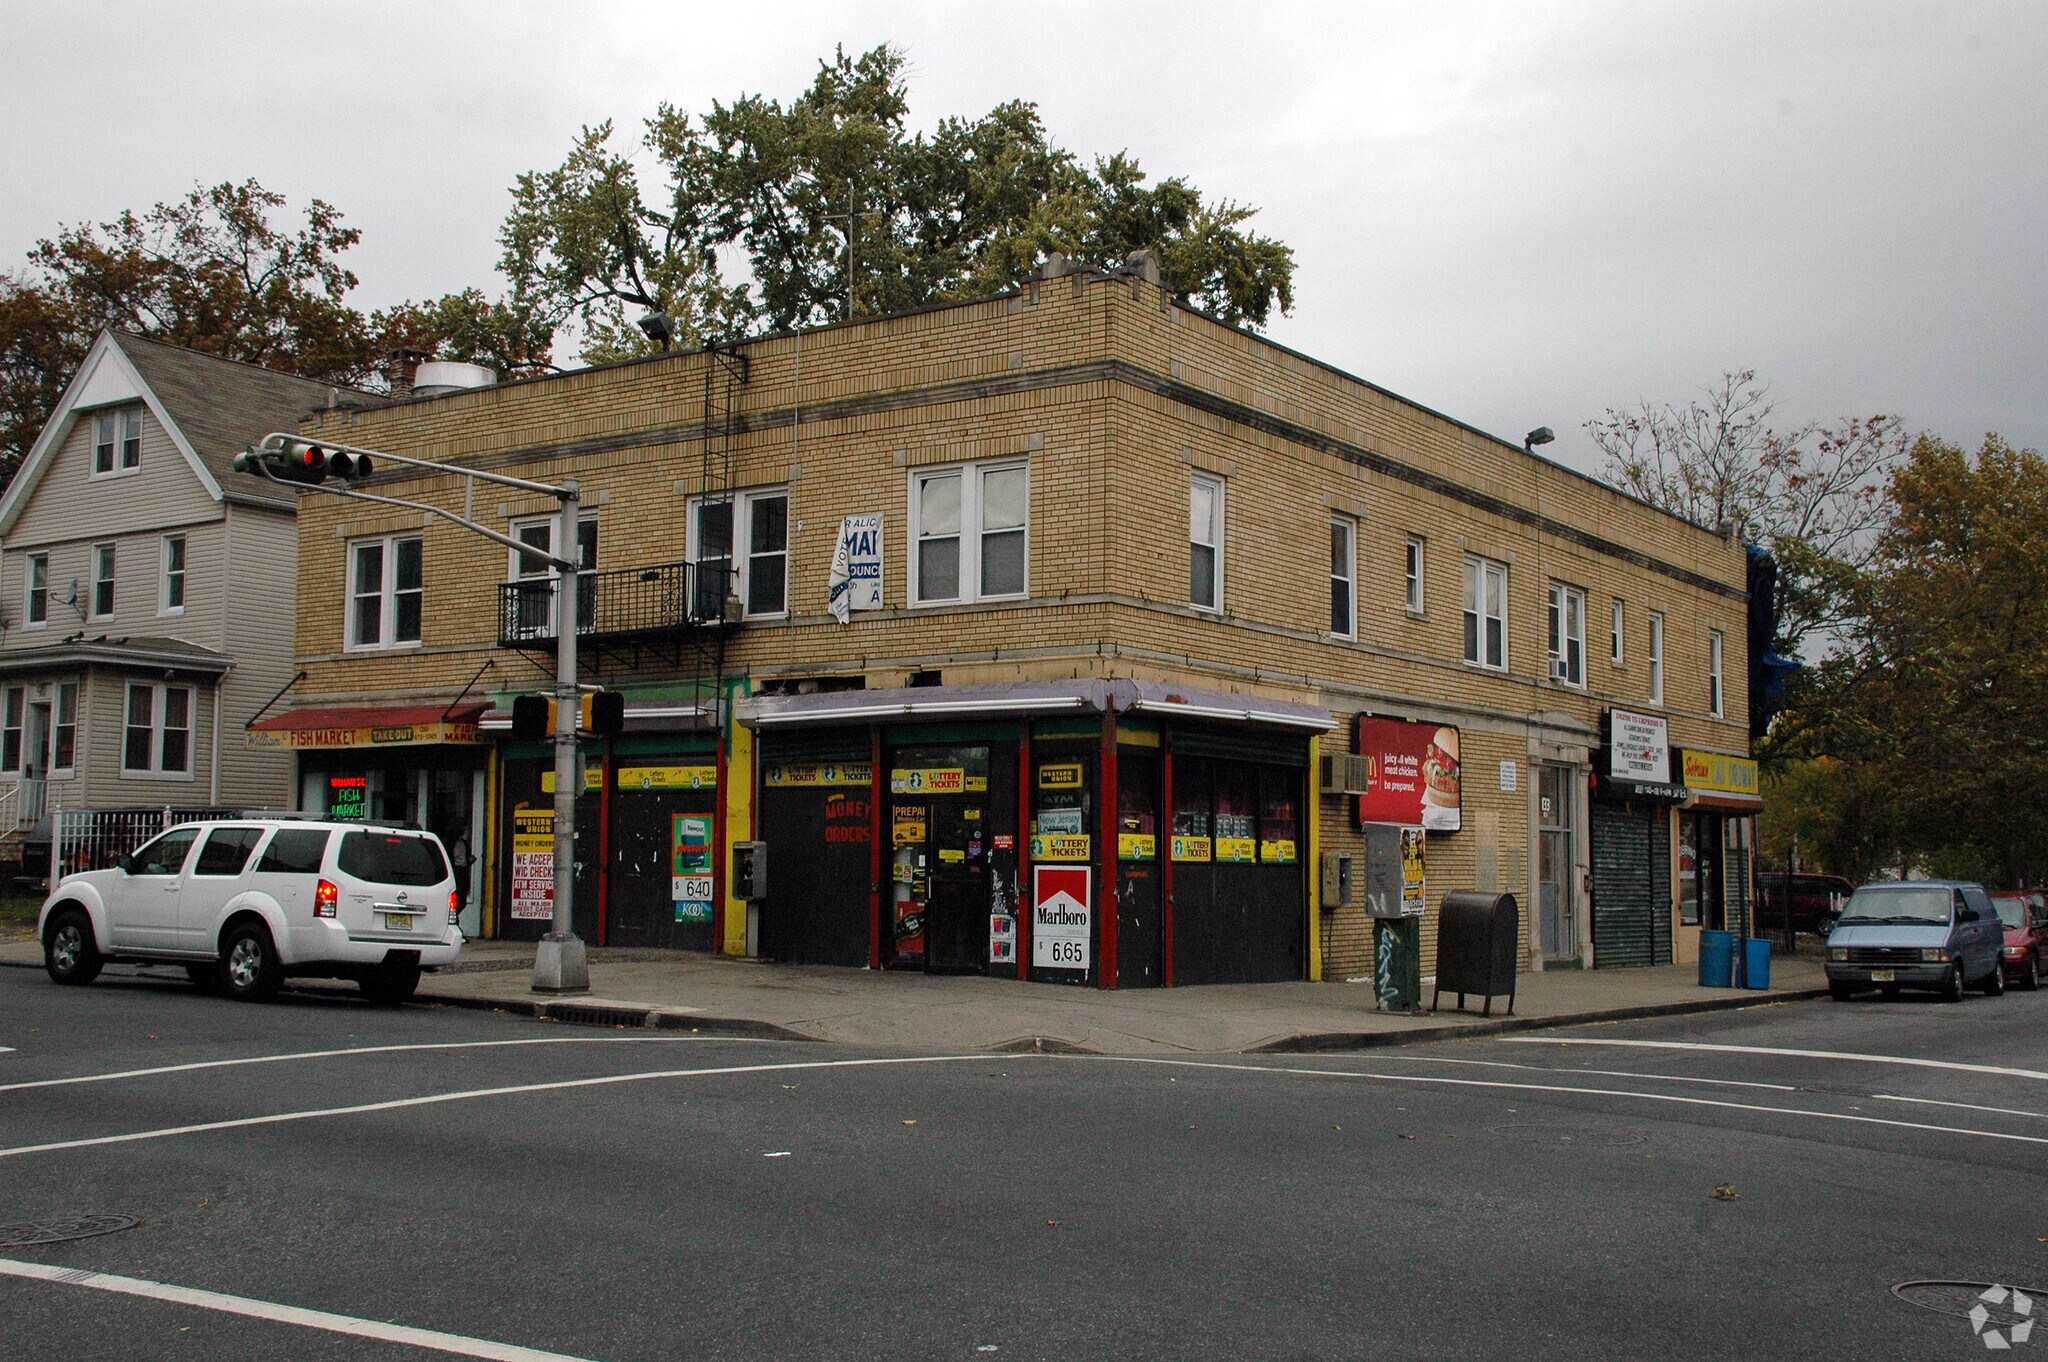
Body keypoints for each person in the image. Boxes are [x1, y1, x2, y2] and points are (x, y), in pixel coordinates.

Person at [447, 817, 472, 916]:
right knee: (456, 900)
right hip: (455, 872)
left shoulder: (463, 843)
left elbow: (463, 858)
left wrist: (468, 861)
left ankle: (454, 917)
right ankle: (453, 918)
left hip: (462, 873)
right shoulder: (449, 843)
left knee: (462, 901)